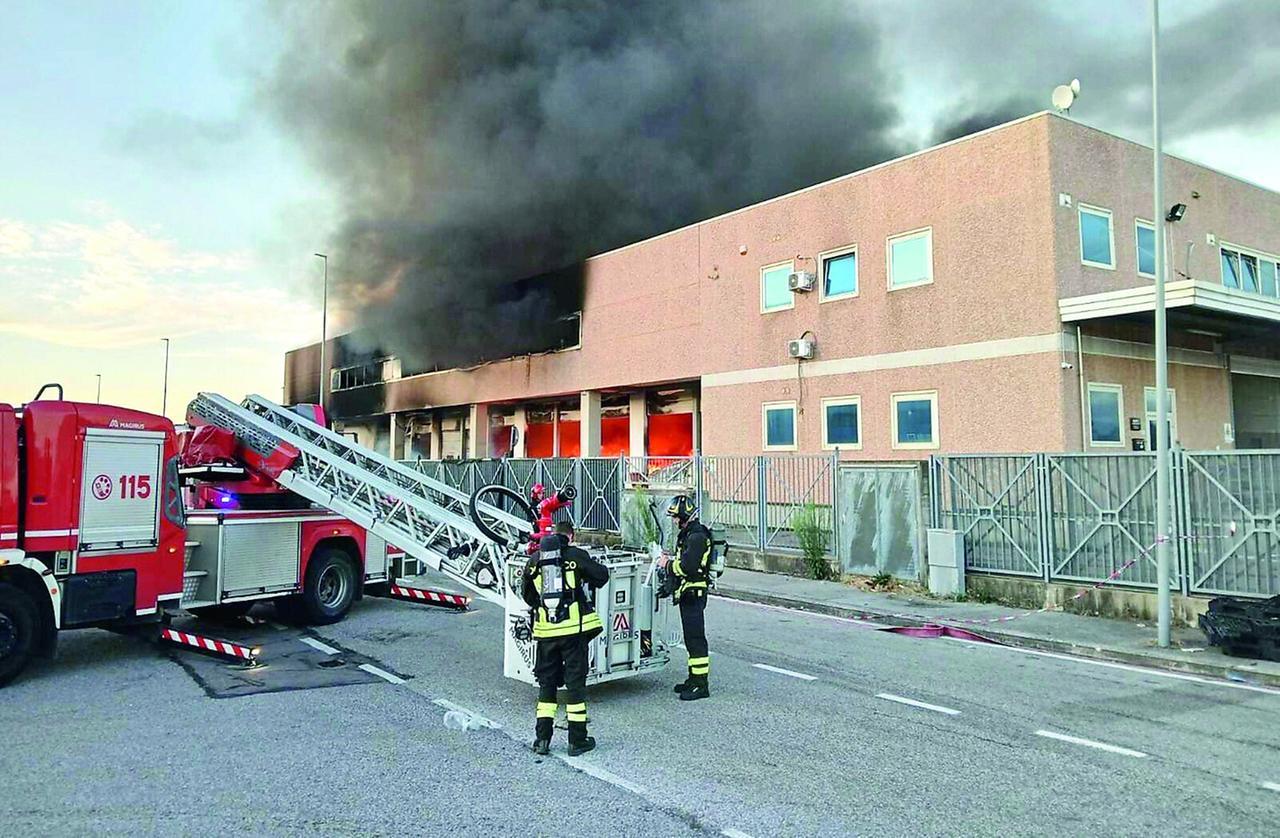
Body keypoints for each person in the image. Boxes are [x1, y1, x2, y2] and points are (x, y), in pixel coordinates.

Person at [522, 520, 609, 756]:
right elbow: (601, 577)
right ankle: (577, 740)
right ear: (570, 537)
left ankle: (542, 739)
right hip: (573, 634)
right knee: (574, 685)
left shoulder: (534, 560)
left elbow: (527, 595)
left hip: (545, 634)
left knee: (547, 685)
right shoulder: (575, 555)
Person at [659, 494, 712, 701]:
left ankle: (701, 685)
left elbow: (688, 566)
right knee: (691, 639)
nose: (674, 521)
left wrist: (667, 565)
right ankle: (693, 679)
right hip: (688, 593)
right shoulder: (690, 534)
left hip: (694, 593)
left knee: (696, 639)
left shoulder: (697, 536)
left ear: (684, 515)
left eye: (676, 517)